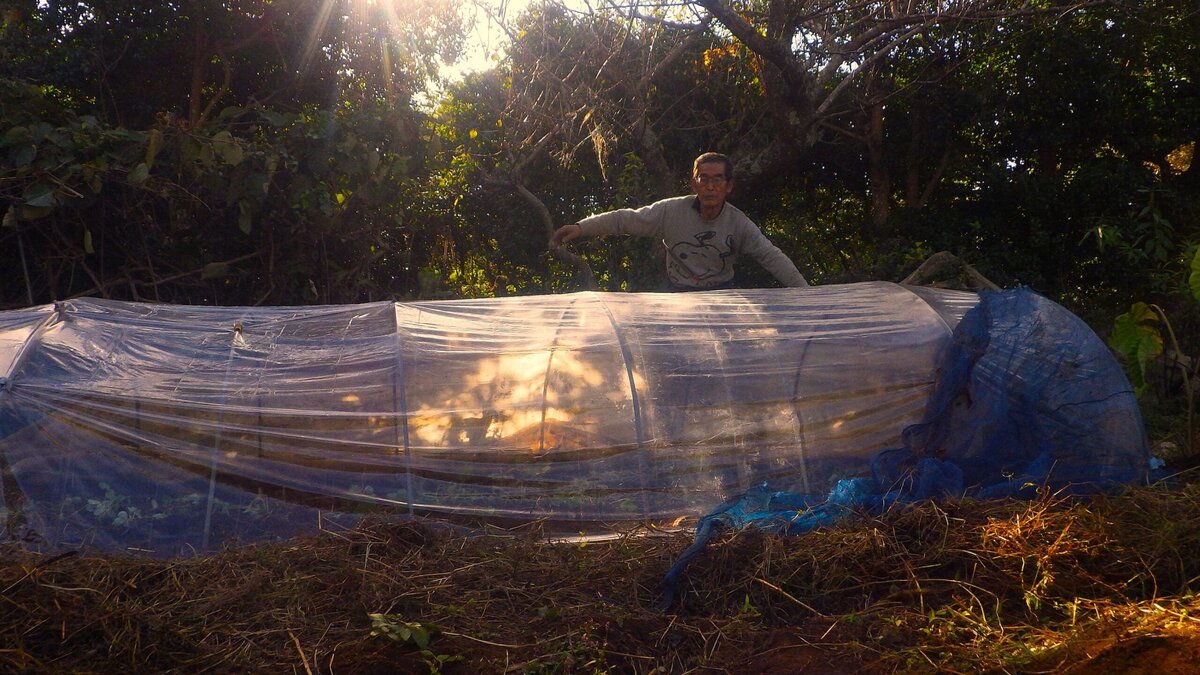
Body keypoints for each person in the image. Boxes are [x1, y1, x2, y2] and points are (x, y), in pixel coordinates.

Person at [550, 152, 809, 290]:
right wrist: (581, 228)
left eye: (717, 179)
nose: (710, 186)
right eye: (703, 179)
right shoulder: (670, 211)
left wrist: (808, 295)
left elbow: (770, 256)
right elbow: (625, 220)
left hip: (722, 294)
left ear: (729, 185)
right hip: (678, 293)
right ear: (694, 183)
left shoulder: (738, 223)